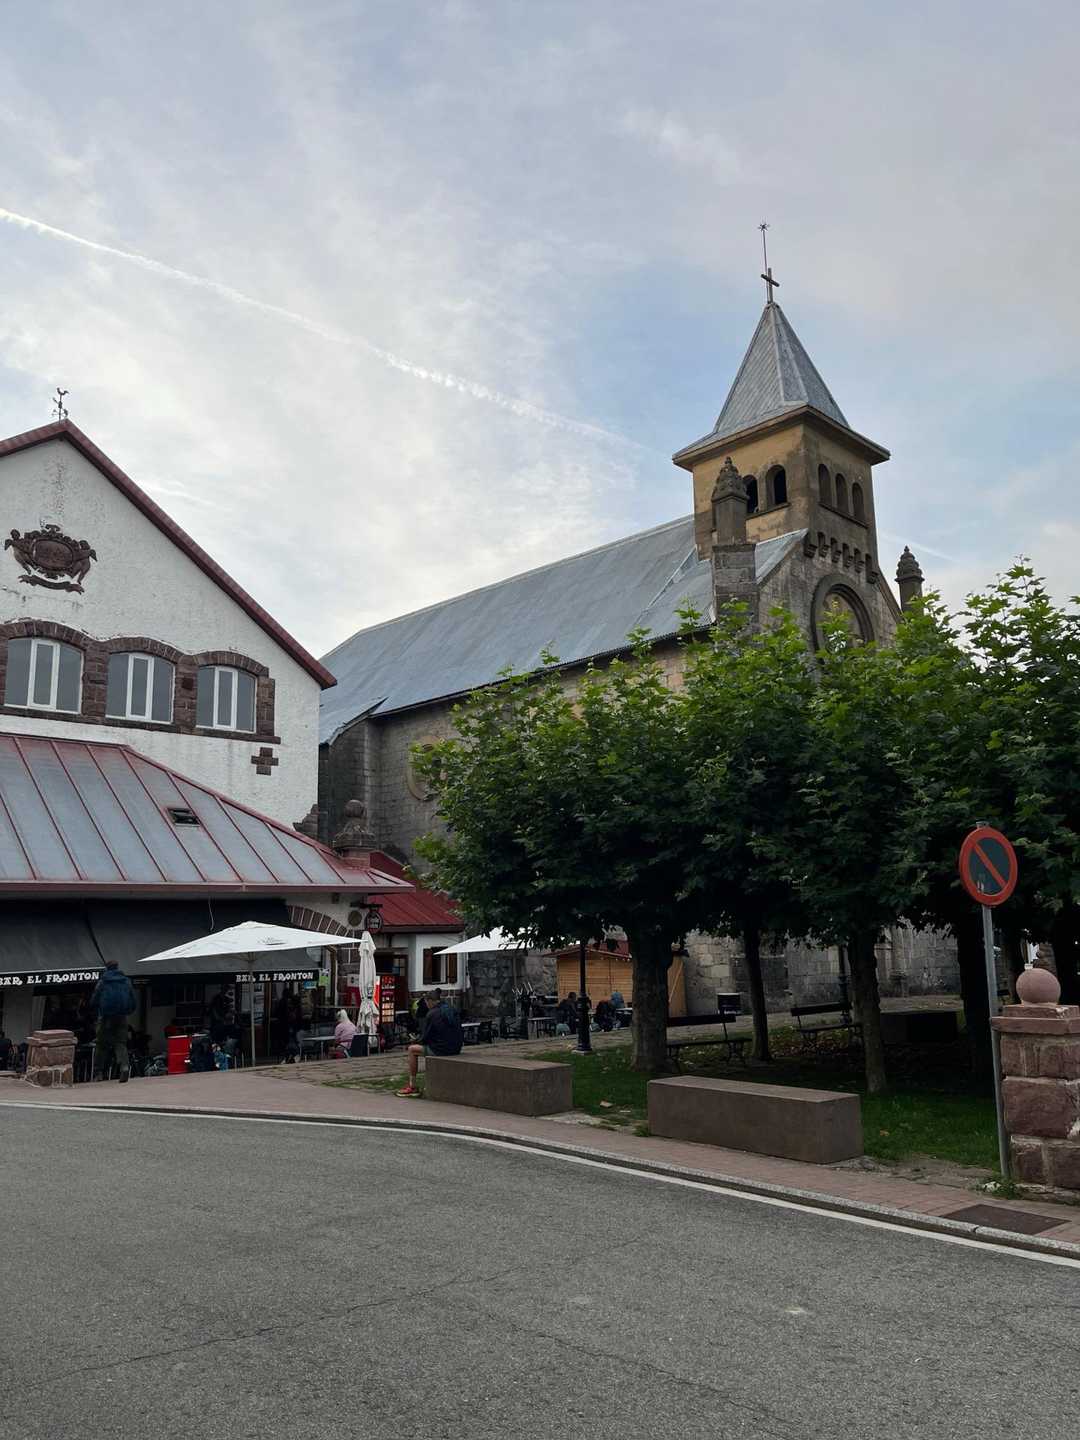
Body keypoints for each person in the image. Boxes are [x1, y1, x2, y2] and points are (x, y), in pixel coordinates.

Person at [397, 988, 463, 1096]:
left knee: (412, 1050)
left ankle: (412, 1086)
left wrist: (415, 1041)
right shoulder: (451, 1008)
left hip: (442, 1049)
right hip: (456, 1047)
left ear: (430, 1001)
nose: (426, 1005)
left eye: (426, 1002)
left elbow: (426, 1037)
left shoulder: (432, 1014)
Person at [89, 960, 137, 1082]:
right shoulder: (126, 981)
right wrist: (127, 1011)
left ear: (106, 968)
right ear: (117, 967)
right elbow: (133, 1000)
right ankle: (124, 1066)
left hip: (105, 1017)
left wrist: (97, 1010)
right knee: (120, 1043)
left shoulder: (103, 982)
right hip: (121, 1016)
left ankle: (98, 1073)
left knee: (101, 1044)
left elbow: (94, 1000)